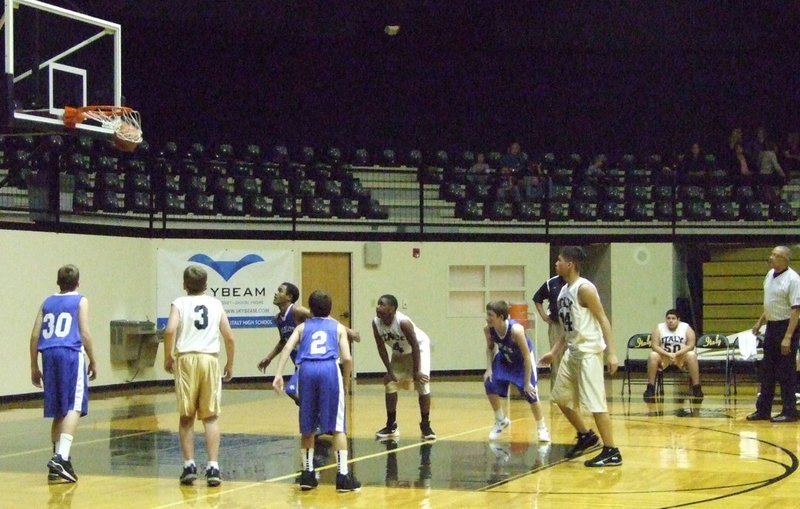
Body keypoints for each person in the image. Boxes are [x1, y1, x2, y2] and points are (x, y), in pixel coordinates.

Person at [539, 246, 621, 467]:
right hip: (572, 352)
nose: (556, 264)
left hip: (589, 353)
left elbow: (603, 319)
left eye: (559, 261)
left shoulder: (585, 289)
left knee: (596, 404)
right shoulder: (564, 291)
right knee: (560, 398)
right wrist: (553, 352)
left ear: (570, 264)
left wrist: (611, 353)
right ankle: (586, 435)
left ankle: (612, 451)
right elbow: (568, 328)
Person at [273, 290, 361, 492]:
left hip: (306, 370)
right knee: (338, 426)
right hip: (329, 369)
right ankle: (343, 477)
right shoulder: (338, 327)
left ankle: (307, 475)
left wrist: (278, 374)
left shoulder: (303, 327)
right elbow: (347, 358)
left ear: (310, 309)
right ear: (330, 309)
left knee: (308, 425)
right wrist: (346, 381)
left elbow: (287, 348)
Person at [163, 265, 236, 487]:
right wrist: (230, 363)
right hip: (209, 359)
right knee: (211, 416)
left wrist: (168, 356)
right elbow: (230, 337)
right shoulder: (215, 304)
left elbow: (169, 330)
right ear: (206, 285)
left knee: (186, 417)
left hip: (186, 359)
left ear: (185, 284)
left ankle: (189, 466)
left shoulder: (180, 303)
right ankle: (213, 467)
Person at [29, 264, 97, 483]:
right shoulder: (80, 300)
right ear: (78, 282)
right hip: (70, 352)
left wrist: (33, 365)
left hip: (48, 354)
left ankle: (58, 462)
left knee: (59, 408)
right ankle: (61, 457)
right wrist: (93, 359)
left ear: (57, 282)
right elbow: (85, 333)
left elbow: (34, 335)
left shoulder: (47, 302)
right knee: (74, 405)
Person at [258, 282, 360, 404]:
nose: (276, 293)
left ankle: (314, 411)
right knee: (300, 395)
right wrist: (269, 358)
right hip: (299, 363)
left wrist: (348, 331)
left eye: (280, 291)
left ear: (289, 297)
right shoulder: (277, 318)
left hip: (310, 360)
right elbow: (283, 341)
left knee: (292, 390)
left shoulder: (297, 311)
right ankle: (313, 412)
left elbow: (324, 317)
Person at [483, 300, 551, 443]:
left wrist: (527, 382)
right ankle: (500, 419)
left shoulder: (516, 330)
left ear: (501, 317)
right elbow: (489, 348)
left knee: (530, 393)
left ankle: (542, 428)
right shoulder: (488, 329)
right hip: (505, 359)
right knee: (489, 382)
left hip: (522, 362)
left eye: (490, 315)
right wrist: (489, 369)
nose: (487, 318)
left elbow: (527, 356)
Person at [746, 246, 800, 423]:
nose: (771, 257)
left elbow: (795, 310)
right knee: (767, 370)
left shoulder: (793, 279)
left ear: (785, 259)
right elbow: (771, 303)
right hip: (771, 326)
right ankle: (763, 410)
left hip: (786, 327)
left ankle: (789, 411)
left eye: (776, 255)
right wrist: (760, 321)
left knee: (786, 371)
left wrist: (788, 337)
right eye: (772, 254)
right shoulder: (770, 274)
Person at [372, 294, 436, 440]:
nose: (378, 307)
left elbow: (414, 344)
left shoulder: (403, 322)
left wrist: (416, 371)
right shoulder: (376, 323)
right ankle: (391, 425)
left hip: (418, 348)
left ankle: (426, 425)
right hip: (399, 352)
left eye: (382, 304)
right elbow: (380, 346)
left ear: (392, 309)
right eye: (378, 304)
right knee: (390, 383)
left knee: (423, 382)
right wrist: (389, 370)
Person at [643, 309, 703, 401]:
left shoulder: (686, 327)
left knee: (692, 355)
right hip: (664, 357)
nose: (670, 320)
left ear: (678, 319)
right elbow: (654, 346)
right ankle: (650, 387)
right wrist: (668, 354)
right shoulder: (659, 328)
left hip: (681, 357)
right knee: (653, 355)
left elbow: (691, 345)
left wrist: (676, 354)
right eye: (668, 318)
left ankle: (696, 387)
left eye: (673, 318)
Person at [532, 274, 566, 389]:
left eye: (560, 261)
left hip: (573, 325)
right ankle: (556, 391)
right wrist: (543, 315)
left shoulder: (579, 283)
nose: (556, 264)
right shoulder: (551, 283)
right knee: (556, 358)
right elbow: (537, 298)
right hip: (556, 324)